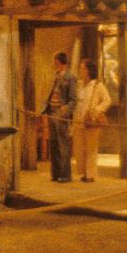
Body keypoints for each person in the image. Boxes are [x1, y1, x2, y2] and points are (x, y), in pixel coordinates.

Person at [74, 59, 111, 182]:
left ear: (88, 71)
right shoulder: (79, 85)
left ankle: (90, 175)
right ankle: (83, 173)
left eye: (82, 68)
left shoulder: (97, 85)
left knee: (91, 148)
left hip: (91, 120)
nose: (80, 71)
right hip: (78, 120)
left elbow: (107, 100)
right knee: (80, 148)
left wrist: (96, 110)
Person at [42, 51, 77, 182]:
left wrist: (64, 112)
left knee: (63, 144)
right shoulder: (56, 76)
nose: (54, 64)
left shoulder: (70, 77)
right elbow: (50, 94)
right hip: (52, 112)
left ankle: (65, 174)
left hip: (61, 114)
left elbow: (73, 100)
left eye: (56, 61)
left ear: (60, 62)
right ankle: (55, 173)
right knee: (54, 144)